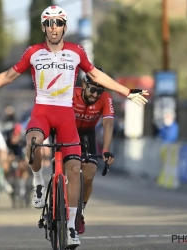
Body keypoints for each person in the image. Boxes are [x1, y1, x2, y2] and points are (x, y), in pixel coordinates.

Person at [0, 5, 149, 247]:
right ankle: (37, 181)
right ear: (44, 27)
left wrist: (127, 92)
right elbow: (8, 77)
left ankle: (72, 227)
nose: (54, 27)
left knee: (74, 170)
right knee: (33, 145)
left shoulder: (77, 52)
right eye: (49, 23)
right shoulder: (33, 52)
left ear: (64, 27)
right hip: (42, 112)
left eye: (58, 23)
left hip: (66, 117)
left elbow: (97, 76)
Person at [73, 67, 115, 234]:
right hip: (67, 131)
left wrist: (105, 149)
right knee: (69, 168)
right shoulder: (71, 93)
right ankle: (57, 196)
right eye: (92, 89)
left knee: (89, 176)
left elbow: (108, 124)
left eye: (100, 91)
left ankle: (79, 212)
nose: (95, 95)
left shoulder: (106, 98)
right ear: (84, 85)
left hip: (87, 134)